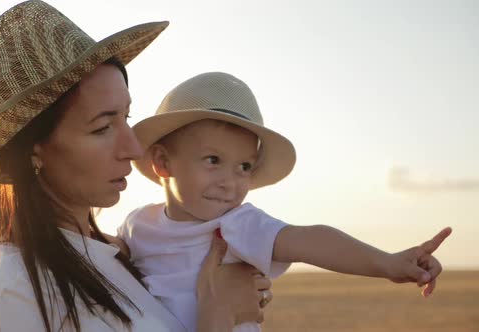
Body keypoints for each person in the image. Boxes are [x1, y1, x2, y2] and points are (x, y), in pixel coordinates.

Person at [0, 2, 273, 331]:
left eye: (125, 118)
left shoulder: (122, 255)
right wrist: (219, 312)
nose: (133, 148)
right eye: (102, 127)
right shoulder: (18, 287)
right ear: (34, 152)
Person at [117, 71, 452, 332]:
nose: (229, 182)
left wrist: (388, 264)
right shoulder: (138, 224)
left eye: (244, 167)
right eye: (212, 160)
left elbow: (309, 239)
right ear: (163, 163)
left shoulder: (237, 225)